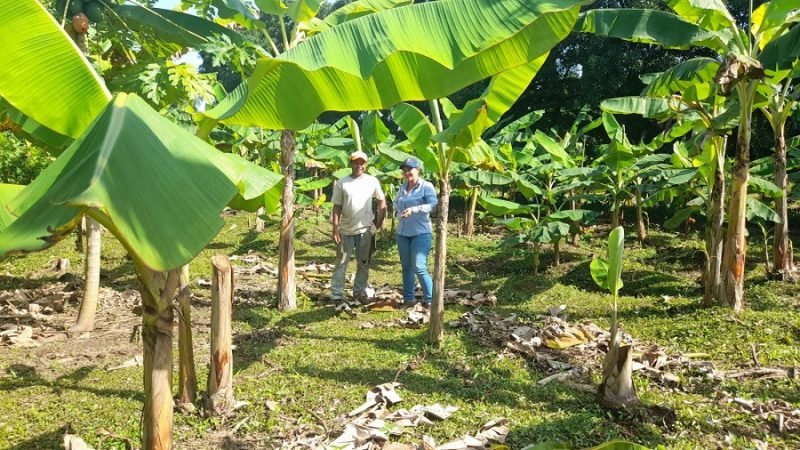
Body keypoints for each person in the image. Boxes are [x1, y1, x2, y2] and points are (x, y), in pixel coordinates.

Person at [330, 150, 386, 302]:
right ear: (351, 163)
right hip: (345, 230)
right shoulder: (342, 183)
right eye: (356, 162)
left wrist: (377, 225)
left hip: (365, 231)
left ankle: (359, 292)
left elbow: (382, 202)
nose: (359, 165)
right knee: (341, 264)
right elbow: (337, 207)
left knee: (363, 264)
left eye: (362, 163)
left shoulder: (372, 181)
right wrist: (335, 228)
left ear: (366, 165)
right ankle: (337, 294)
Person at [393, 157, 438, 307]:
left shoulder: (426, 186)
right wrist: (399, 211)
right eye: (404, 171)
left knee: (419, 266)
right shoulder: (402, 188)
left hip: (421, 232)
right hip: (403, 233)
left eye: (409, 170)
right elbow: (396, 202)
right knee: (406, 267)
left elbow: (433, 204)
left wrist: (414, 209)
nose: (407, 173)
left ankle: (431, 300)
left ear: (417, 170)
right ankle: (408, 299)